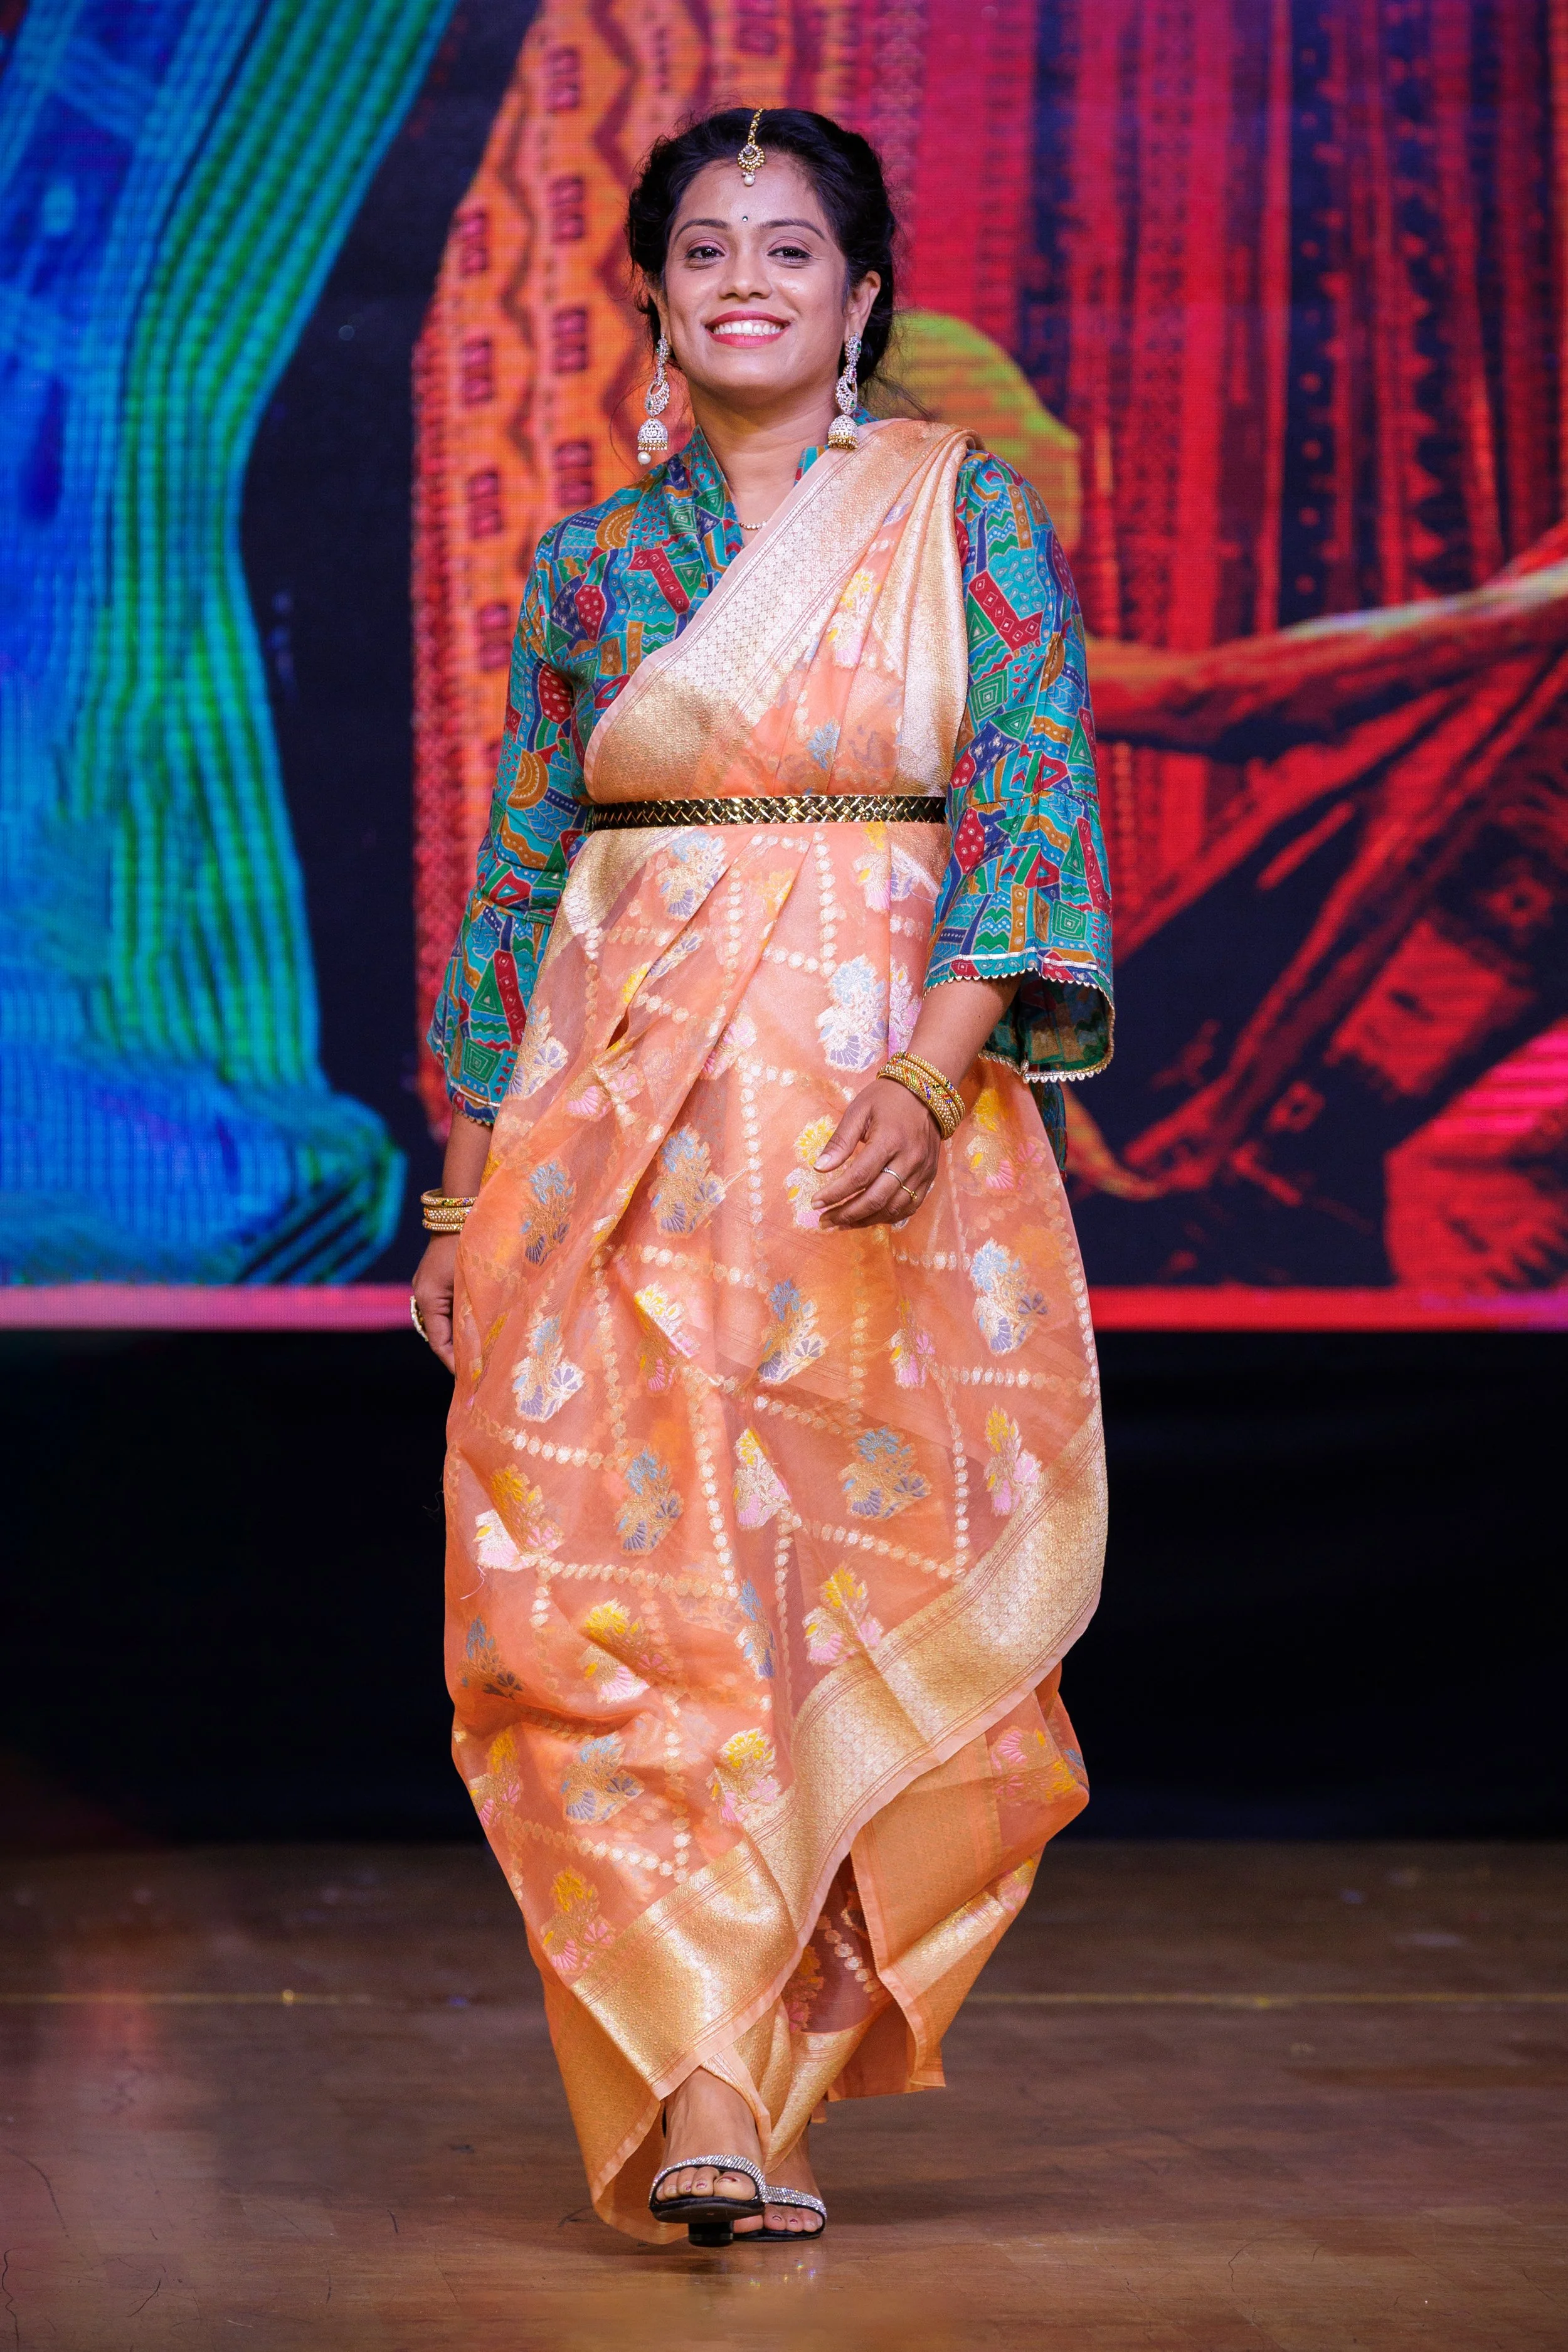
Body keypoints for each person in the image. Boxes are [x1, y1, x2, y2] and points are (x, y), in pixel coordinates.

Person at [411, 105, 1113, 2246]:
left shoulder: (955, 512)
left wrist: (930, 1070)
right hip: (612, 1133)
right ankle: (705, 2084)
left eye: (786, 246)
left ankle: (767, 2071)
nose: (742, 275)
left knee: (822, 1578)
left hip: (869, 1130)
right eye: (701, 243)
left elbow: (1026, 799)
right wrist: (459, 1185)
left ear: (857, 295)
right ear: (651, 292)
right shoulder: (594, 568)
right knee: (615, 1591)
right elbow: (524, 877)